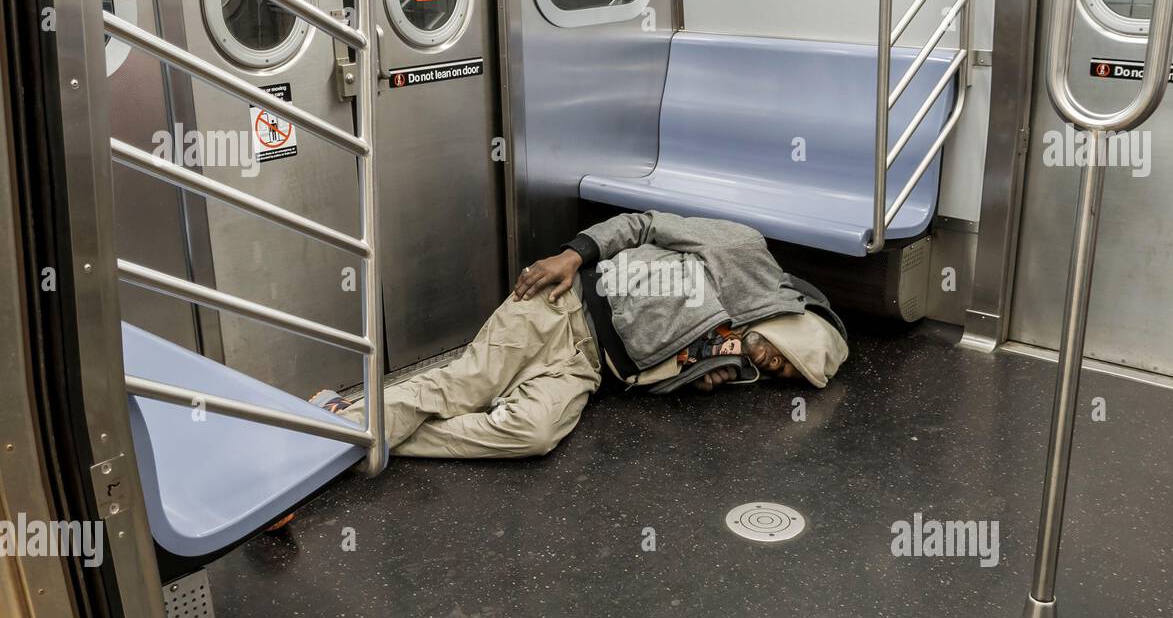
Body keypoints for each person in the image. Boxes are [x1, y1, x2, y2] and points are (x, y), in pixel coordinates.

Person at [312, 211, 848, 460]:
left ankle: (360, 431)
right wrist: (572, 255)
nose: (775, 370)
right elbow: (644, 225)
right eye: (786, 360)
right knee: (465, 386)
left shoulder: (736, 359)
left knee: (532, 436)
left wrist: (688, 374)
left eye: (785, 378)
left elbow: (652, 358)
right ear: (789, 323)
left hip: (585, 370)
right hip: (562, 306)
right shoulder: (744, 251)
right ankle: (335, 430)